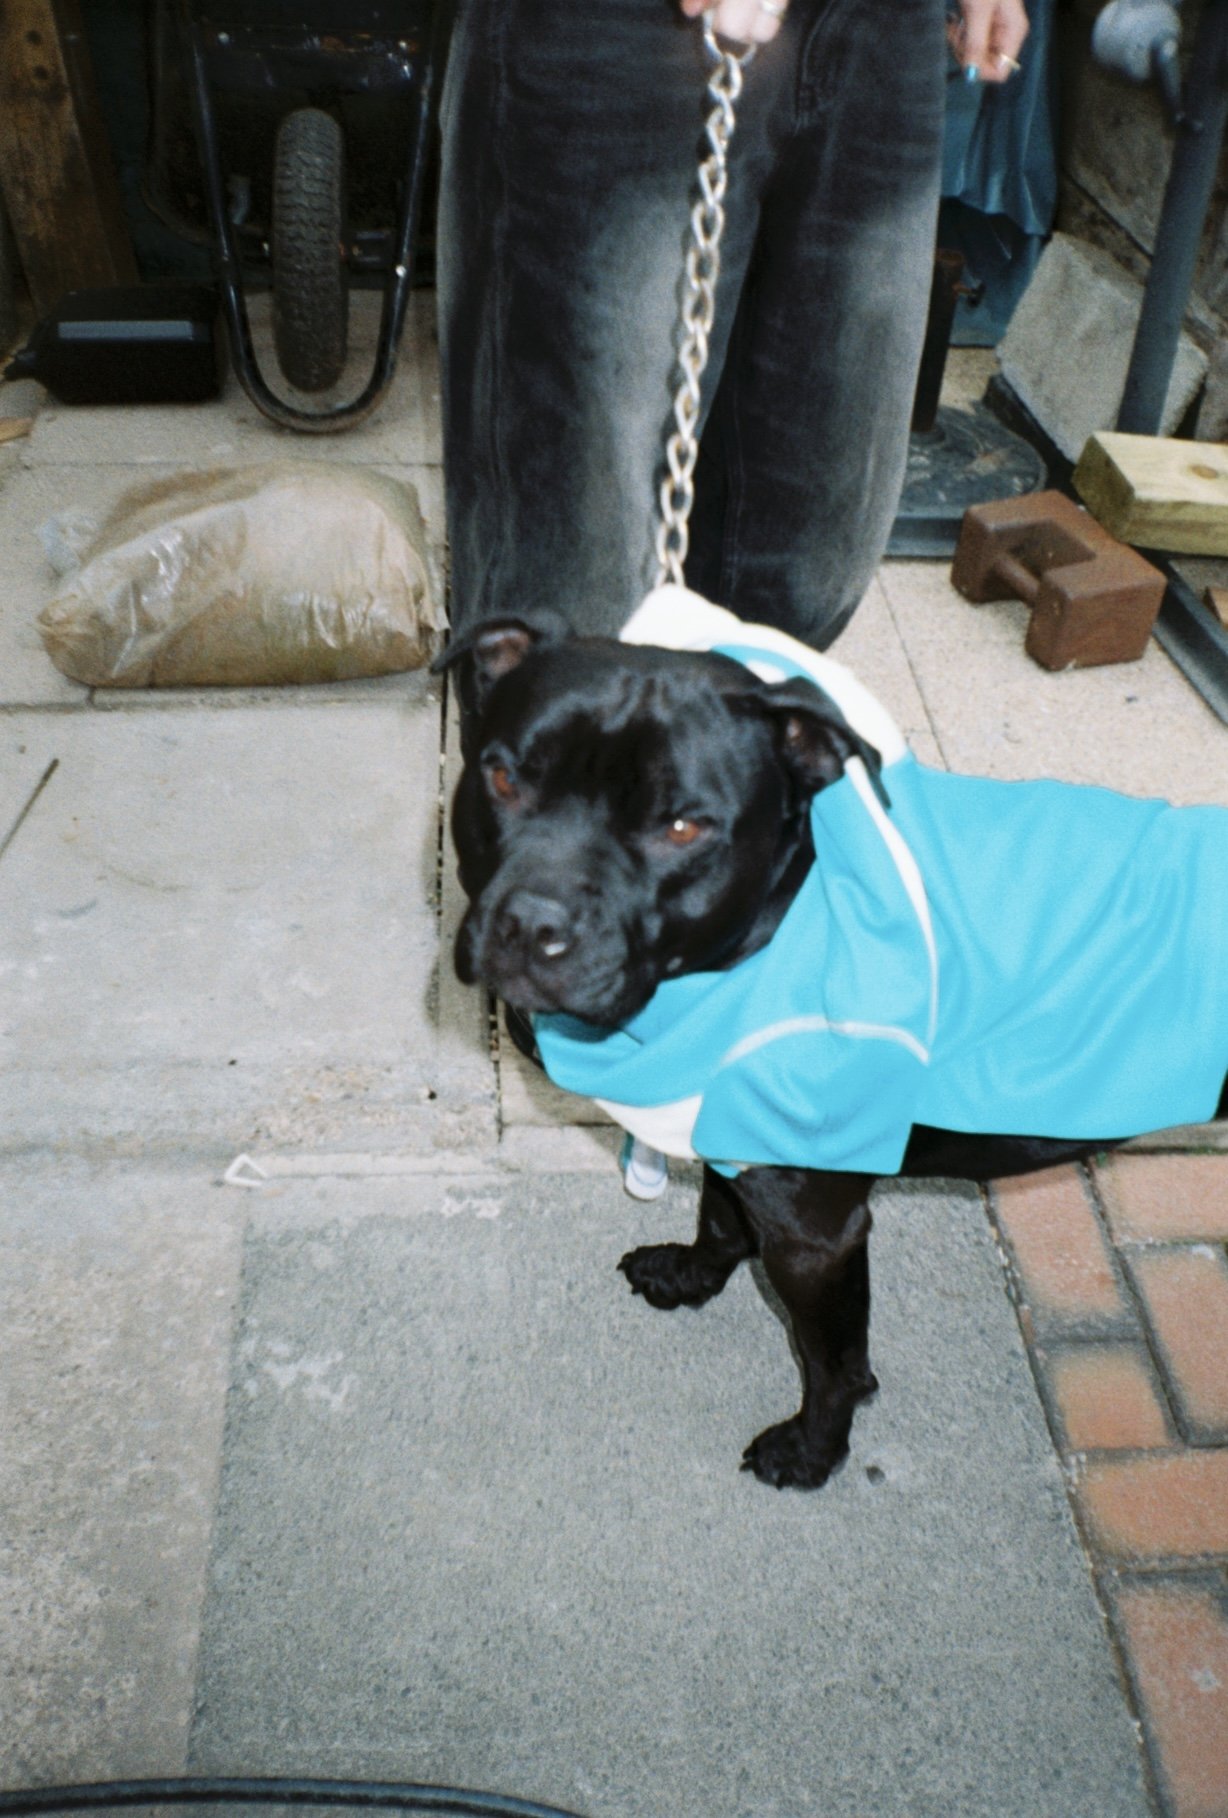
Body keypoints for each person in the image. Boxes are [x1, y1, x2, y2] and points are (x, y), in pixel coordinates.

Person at [437, 0, 1028, 654]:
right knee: (572, 585)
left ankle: (727, 750)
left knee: (810, 557)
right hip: (623, 30)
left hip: (886, 25)